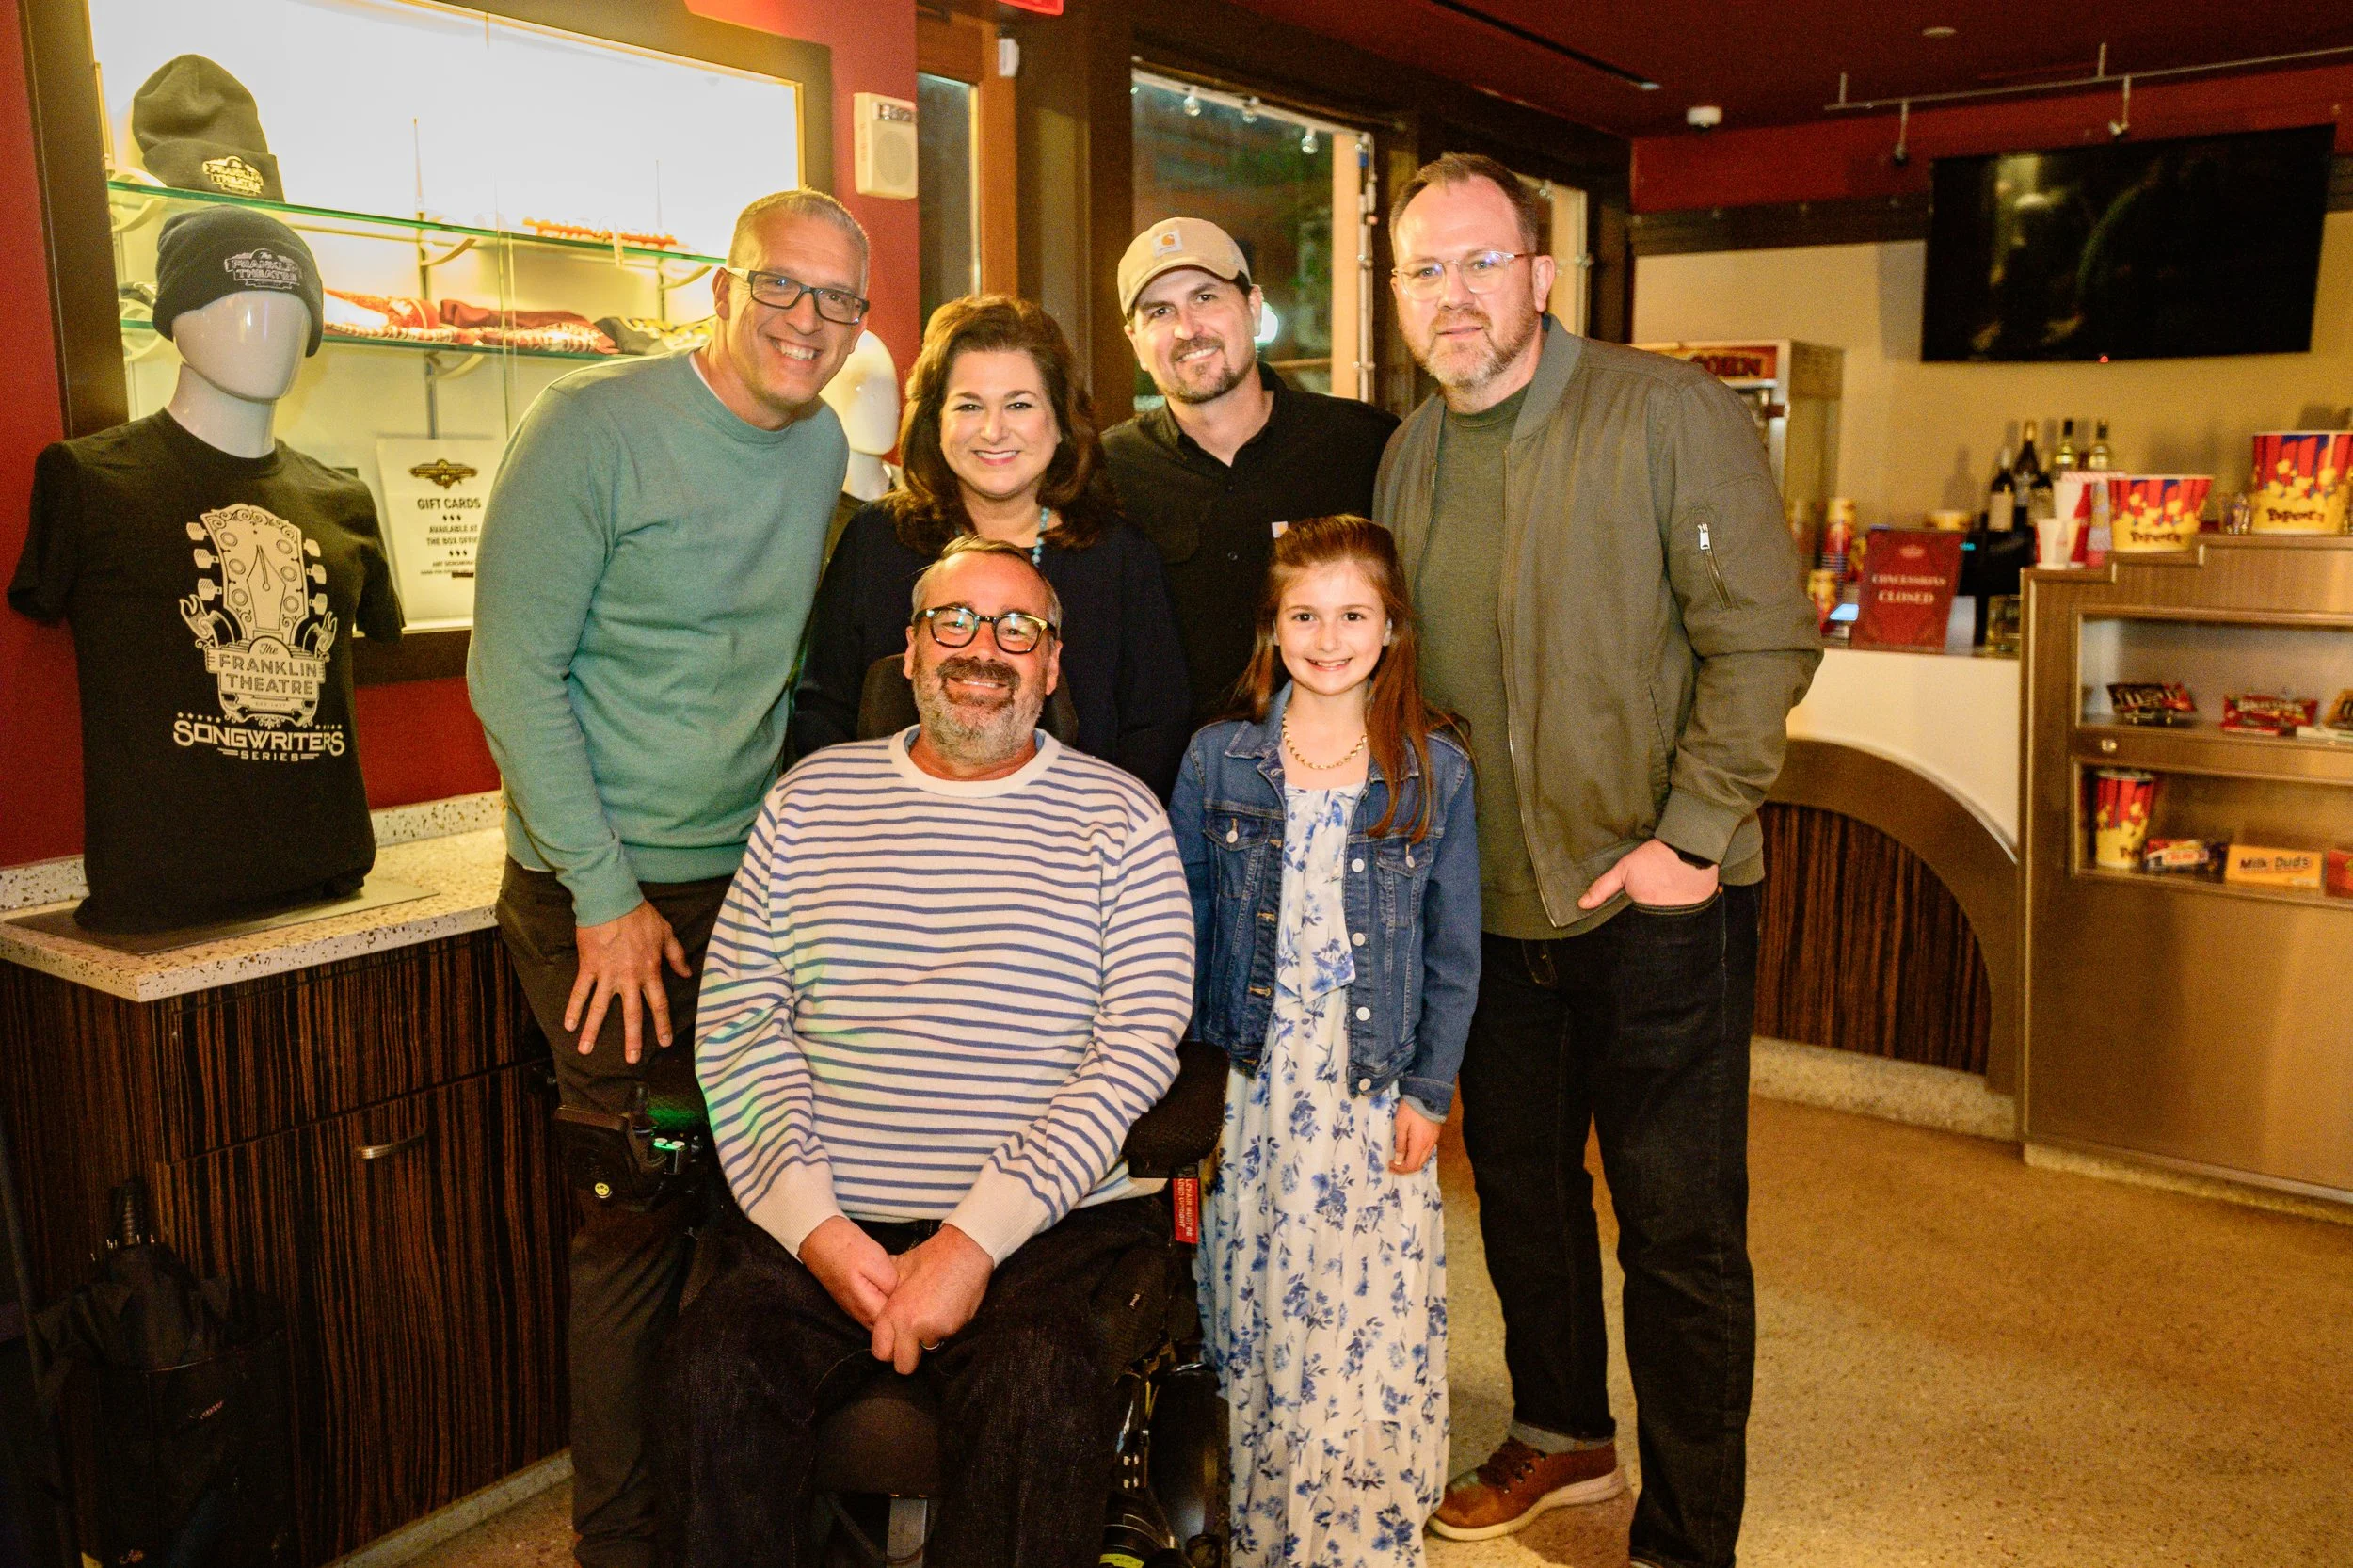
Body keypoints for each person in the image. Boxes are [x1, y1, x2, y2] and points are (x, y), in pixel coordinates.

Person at [1370, 154, 1820, 1567]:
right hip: (1483, 908)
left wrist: (1694, 839)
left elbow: (1765, 639)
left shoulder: (1665, 412)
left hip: (1653, 905)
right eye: (1422, 271)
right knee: (1522, 1195)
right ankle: (1563, 1433)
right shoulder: (1410, 451)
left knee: (1679, 1238)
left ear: (1542, 276)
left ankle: (1688, 1536)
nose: (1453, 295)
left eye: (1480, 263)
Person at [467, 188, 868, 1568]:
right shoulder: (593, 429)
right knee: (635, 1212)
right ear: (721, 286)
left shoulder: (822, 446)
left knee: (761, 1199)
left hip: (750, 882)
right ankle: (620, 1541)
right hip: (606, 887)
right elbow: (508, 672)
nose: (807, 322)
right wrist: (603, 890)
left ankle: (737, 1515)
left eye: (839, 301)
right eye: (783, 287)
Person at [667, 535, 1196, 1565]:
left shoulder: (1120, 820)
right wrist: (816, 1229)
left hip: (1042, 1230)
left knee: (1041, 1382)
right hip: (823, 1210)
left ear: (1051, 664)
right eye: (952, 621)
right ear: (908, 653)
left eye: (1016, 627)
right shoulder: (809, 802)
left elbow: (1136, 1044)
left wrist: (969, 1243)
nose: (981, 647)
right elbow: (738, 1020)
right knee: (711, 1368)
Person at [1172, 517, 1479, 1567]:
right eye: (1304, 615)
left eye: (1353, 615)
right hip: (1250, 1089)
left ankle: (1352, 1539)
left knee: (1359, 1325)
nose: (1329, 635)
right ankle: (1256, 1532)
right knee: (1253, 1310)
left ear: (1391, 627)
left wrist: (1429, 1091)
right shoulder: (1220, 759)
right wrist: (1183, 1097)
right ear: (1272, 628)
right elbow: (1185, 929)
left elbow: (1452, 950)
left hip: (1367, 1089)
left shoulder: (1433, 768)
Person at [790, 295, 1192, 797]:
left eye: (1020, 404)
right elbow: (822, 716)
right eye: (969, 405)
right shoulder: (876, 541)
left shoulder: (1120, 558)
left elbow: (1156, 732)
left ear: (1062, 420)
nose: (993, 430)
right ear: (935, 420)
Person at [1102, 217, 1399, 722]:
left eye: (1205, 297)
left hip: (1348, 779)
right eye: (1159, 311)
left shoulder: (1365, 446)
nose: (1187, 328)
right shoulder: (1105, 474)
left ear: (1254, 308)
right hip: (1169, 791)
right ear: (1135, 341)